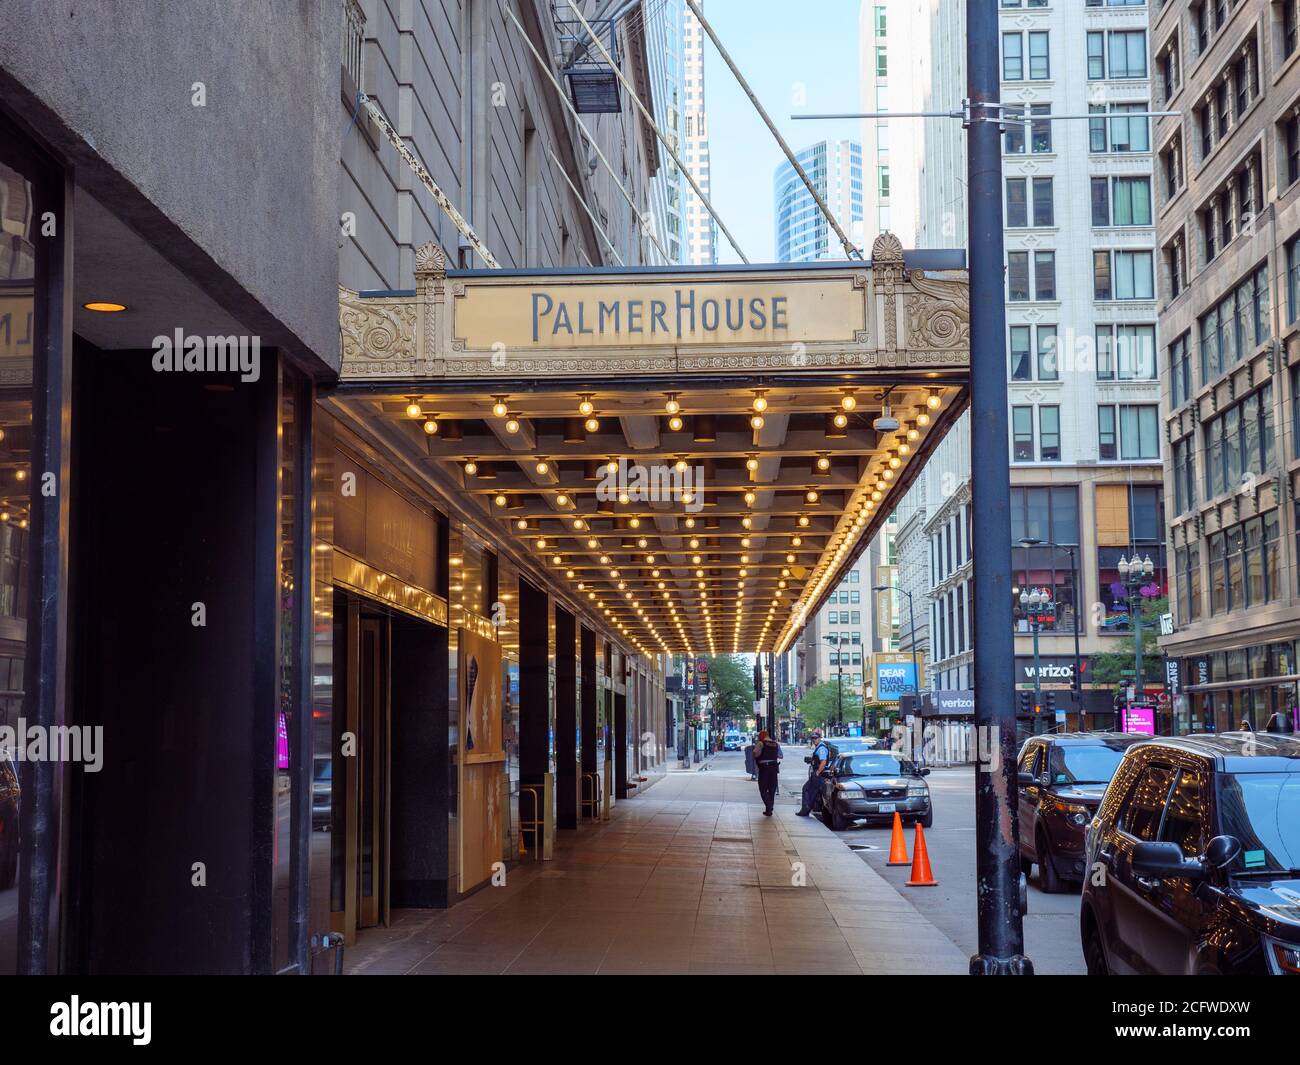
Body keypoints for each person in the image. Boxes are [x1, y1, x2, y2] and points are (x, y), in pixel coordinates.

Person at [796, 729, 832, 817]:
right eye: (812, 738)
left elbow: (823, 762)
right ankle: (806, 810)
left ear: (820, 738)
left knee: (807, 790)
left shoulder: (821, 748)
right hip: (819, 774)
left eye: (815, 738)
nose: (814, 739)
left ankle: (805, 810)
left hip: (819, 775)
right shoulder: (819, 747)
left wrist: (818, 772)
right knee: (812, 792)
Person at [754, 730, 783, 815]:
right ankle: (769, 810)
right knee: (772, 789)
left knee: (762, 789)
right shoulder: (776, 744)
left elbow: (755, 753)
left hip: (764, 768)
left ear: (761, 736)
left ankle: (769, 806)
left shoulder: (761, 743)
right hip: (774, 768)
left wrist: (757, 757)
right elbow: (781, 756)